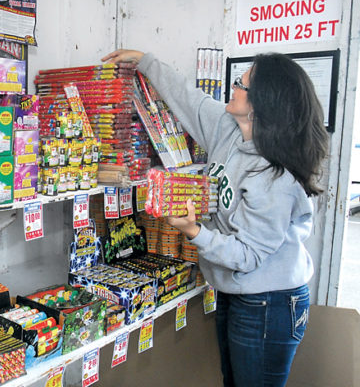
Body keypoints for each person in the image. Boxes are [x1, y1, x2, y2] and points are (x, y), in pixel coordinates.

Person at [102, 49, 329, 387]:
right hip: (235, 290)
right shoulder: (230, 131)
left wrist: (195, 232)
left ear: (259, 104)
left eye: (241, 84)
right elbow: (189, 100)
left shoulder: (274, 178)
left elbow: (249, 256)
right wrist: (146, 60)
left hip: (270, 301)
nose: (233, 88)